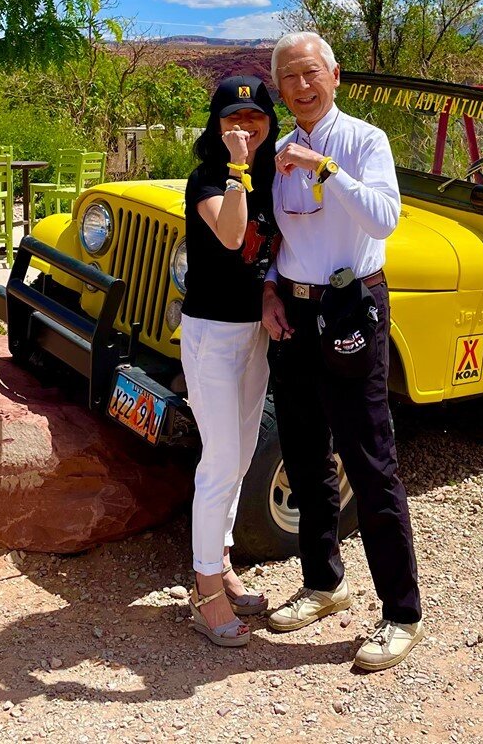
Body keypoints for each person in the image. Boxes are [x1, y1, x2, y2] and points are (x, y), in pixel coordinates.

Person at [261, 32, 425, 672]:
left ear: (334, 75)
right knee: (305, 453)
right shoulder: (277, 152)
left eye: (311, 74)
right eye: (289, 79)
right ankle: (324, 583)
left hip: (352, 303)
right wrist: (272, 291)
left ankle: (402, 612)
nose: (301, 87)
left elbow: (385, 218)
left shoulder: (364, 141)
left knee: (369, 456)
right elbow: (282, 237)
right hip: (296, 311)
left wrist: (325, 169)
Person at [181, 75, 281, 648]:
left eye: (255, 119)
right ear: (215, 127)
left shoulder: (269, 179)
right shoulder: (209, 179)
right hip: (211, 335)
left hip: (253, 335)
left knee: (242, 456)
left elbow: (268, 252)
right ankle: (205, 592)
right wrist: (240, 167)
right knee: (219, 460)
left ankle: (220, 563)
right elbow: (230, 234)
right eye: (231, 120)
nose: (244, 128)